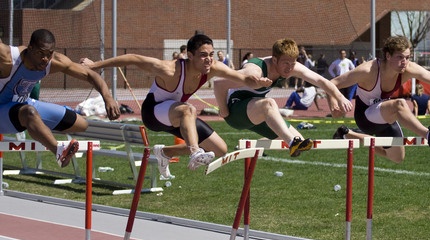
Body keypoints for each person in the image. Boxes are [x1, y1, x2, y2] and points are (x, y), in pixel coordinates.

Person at [81, 34, 271, 178]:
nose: (209, 59)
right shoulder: (169, 68)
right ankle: (195, 151)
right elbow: (132, 58)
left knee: (219, 150)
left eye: (211, 55)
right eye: (203, 55)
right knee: (188, 109)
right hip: (154, 114)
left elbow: (242, 78)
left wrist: (258, 82)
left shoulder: (213, 68)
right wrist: (95, 65)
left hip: (178, 116)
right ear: (190, 55)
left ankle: (164, 152)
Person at [0, 28, 120, 168]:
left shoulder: (55, 61)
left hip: (22, 103)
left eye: (49, 54)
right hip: (4, 109)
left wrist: (108, 98)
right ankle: (59, 151)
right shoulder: (7, 57)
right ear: (30, 48)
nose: (45, 59)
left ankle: (35, 127)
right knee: (29, 112)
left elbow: (90, 75)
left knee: (81, 124)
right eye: (40, 53)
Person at [214, 38, 351, 157]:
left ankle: (253, 146)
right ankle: (292, 143)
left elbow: (321, 81)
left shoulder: (292, 66)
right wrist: (224, 111)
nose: (290, 68)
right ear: (274, 59)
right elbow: (219, 83)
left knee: (300, 139)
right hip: (236, 110)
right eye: (286, 63)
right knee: (269, 104)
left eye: (293, 63)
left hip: (255, 112)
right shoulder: (255, 69)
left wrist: (340, 98)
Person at [331, 35, 430, 163]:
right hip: (365, 117)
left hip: (385, 115)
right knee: (399, 104)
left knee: (397, 158)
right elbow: (333, 83)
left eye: (407, 58)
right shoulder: (368, 70)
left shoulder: (408, 68)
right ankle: (428, 134)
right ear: (388, 56)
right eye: (400, 57)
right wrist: (334, 103)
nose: (404, 62)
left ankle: (348, 134)